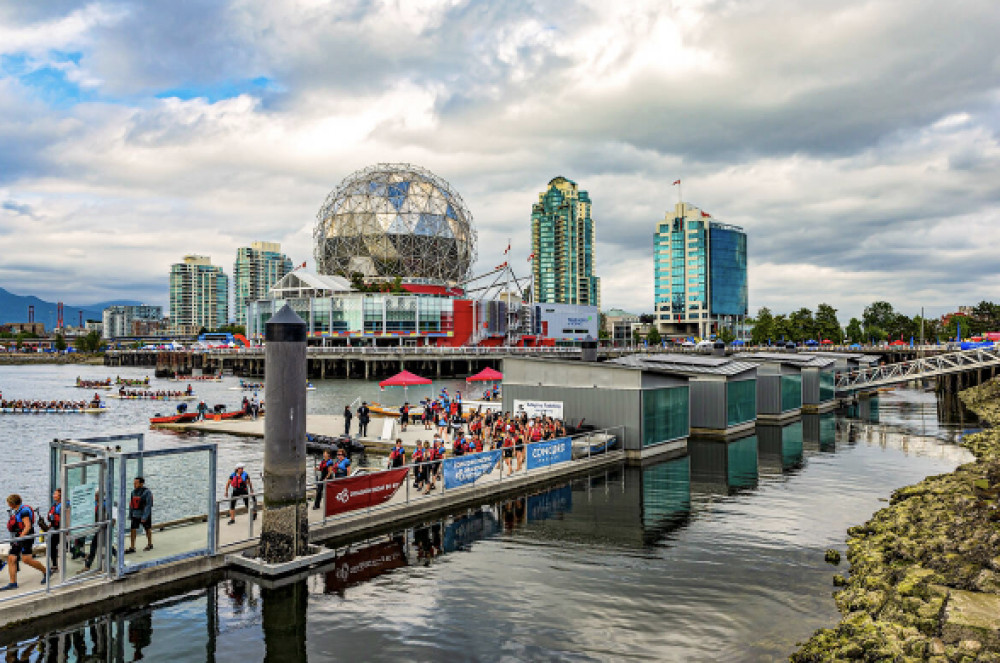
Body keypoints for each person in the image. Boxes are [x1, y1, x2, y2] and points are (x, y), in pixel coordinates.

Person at [3, 494, 46, 589]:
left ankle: (46, 571)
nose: (8, 505)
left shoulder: (24, 512)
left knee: (26, 560)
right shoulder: (17, 510)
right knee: (11, 558)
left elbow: (27, 526)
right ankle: (13, 583)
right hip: (18, 536)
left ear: (12, 503)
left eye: (9, 503)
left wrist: (20, 538)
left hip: (26, 537)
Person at [125, 477, 153, 554]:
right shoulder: (133, 492)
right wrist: (130, 514)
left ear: (141, 483)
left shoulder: (147, 492)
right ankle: (132, 547)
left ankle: (150, 543)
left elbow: (148, 505)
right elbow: (131, 504)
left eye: (136, 483)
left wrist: (145, 516)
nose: (134, 484)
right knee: (133, 529)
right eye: (134, 483)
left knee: (147, 529)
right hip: (135, 514)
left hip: (144, 513)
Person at [39, 488, 62, 573]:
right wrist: (48, 526)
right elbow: (53, 519)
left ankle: (55, 566)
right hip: (55, 528)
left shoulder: (63, 506)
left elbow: (64, 518)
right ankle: (54, 565)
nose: (53, 495)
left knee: (52, 545)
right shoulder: (55, 505)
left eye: (55, 494)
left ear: (60, 495)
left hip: (61, 530)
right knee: (54, 545)